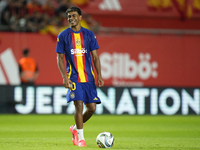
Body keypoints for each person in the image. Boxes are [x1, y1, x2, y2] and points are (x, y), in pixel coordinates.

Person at [56, 6, 104, 147]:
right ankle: (80, 139)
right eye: (69, 16)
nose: (71, 18)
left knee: (92, 108)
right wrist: (65, 77)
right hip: (74, 77)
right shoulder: (63, 36)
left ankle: (75, 128)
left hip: (88, 78)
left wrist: (99, 75)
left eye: (74, 15)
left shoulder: (89, 35)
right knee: (79, 104)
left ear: (80, 17)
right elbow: (59, 58)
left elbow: (95, 57)